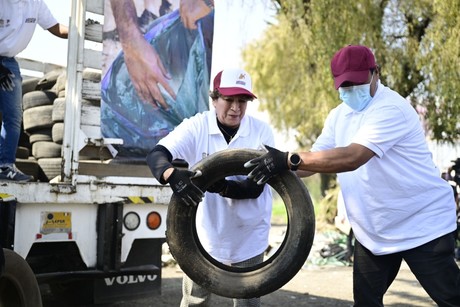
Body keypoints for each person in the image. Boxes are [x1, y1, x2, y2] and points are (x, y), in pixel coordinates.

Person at [245, 45, 460, 306]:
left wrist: (287, 158)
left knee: (452, 299)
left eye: (357, 83)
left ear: (376, 73)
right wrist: (272, 169)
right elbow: (311, 162)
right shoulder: (338, 116)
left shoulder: (391, 108)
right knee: (366, 303)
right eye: (344, 86)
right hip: (375, 233)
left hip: (422, 226)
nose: (350, 91)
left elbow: (352, 158)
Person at [147, 68, 274, 307]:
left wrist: (224, 187)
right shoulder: (197, 126)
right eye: (228, 99)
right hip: (205, 236)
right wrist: (172, 176)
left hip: (249, 234)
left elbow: (256, 187)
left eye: (242, 100)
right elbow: (156, 155)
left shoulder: (261, 132)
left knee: (247, 303)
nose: (236, 107)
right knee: (196, 301)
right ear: (214, 99)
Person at [0, 0, 68, 182]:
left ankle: (4, 166)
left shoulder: (35, 3)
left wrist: (80, 31)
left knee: (13, 116)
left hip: (9, 62)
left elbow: (57, 28)